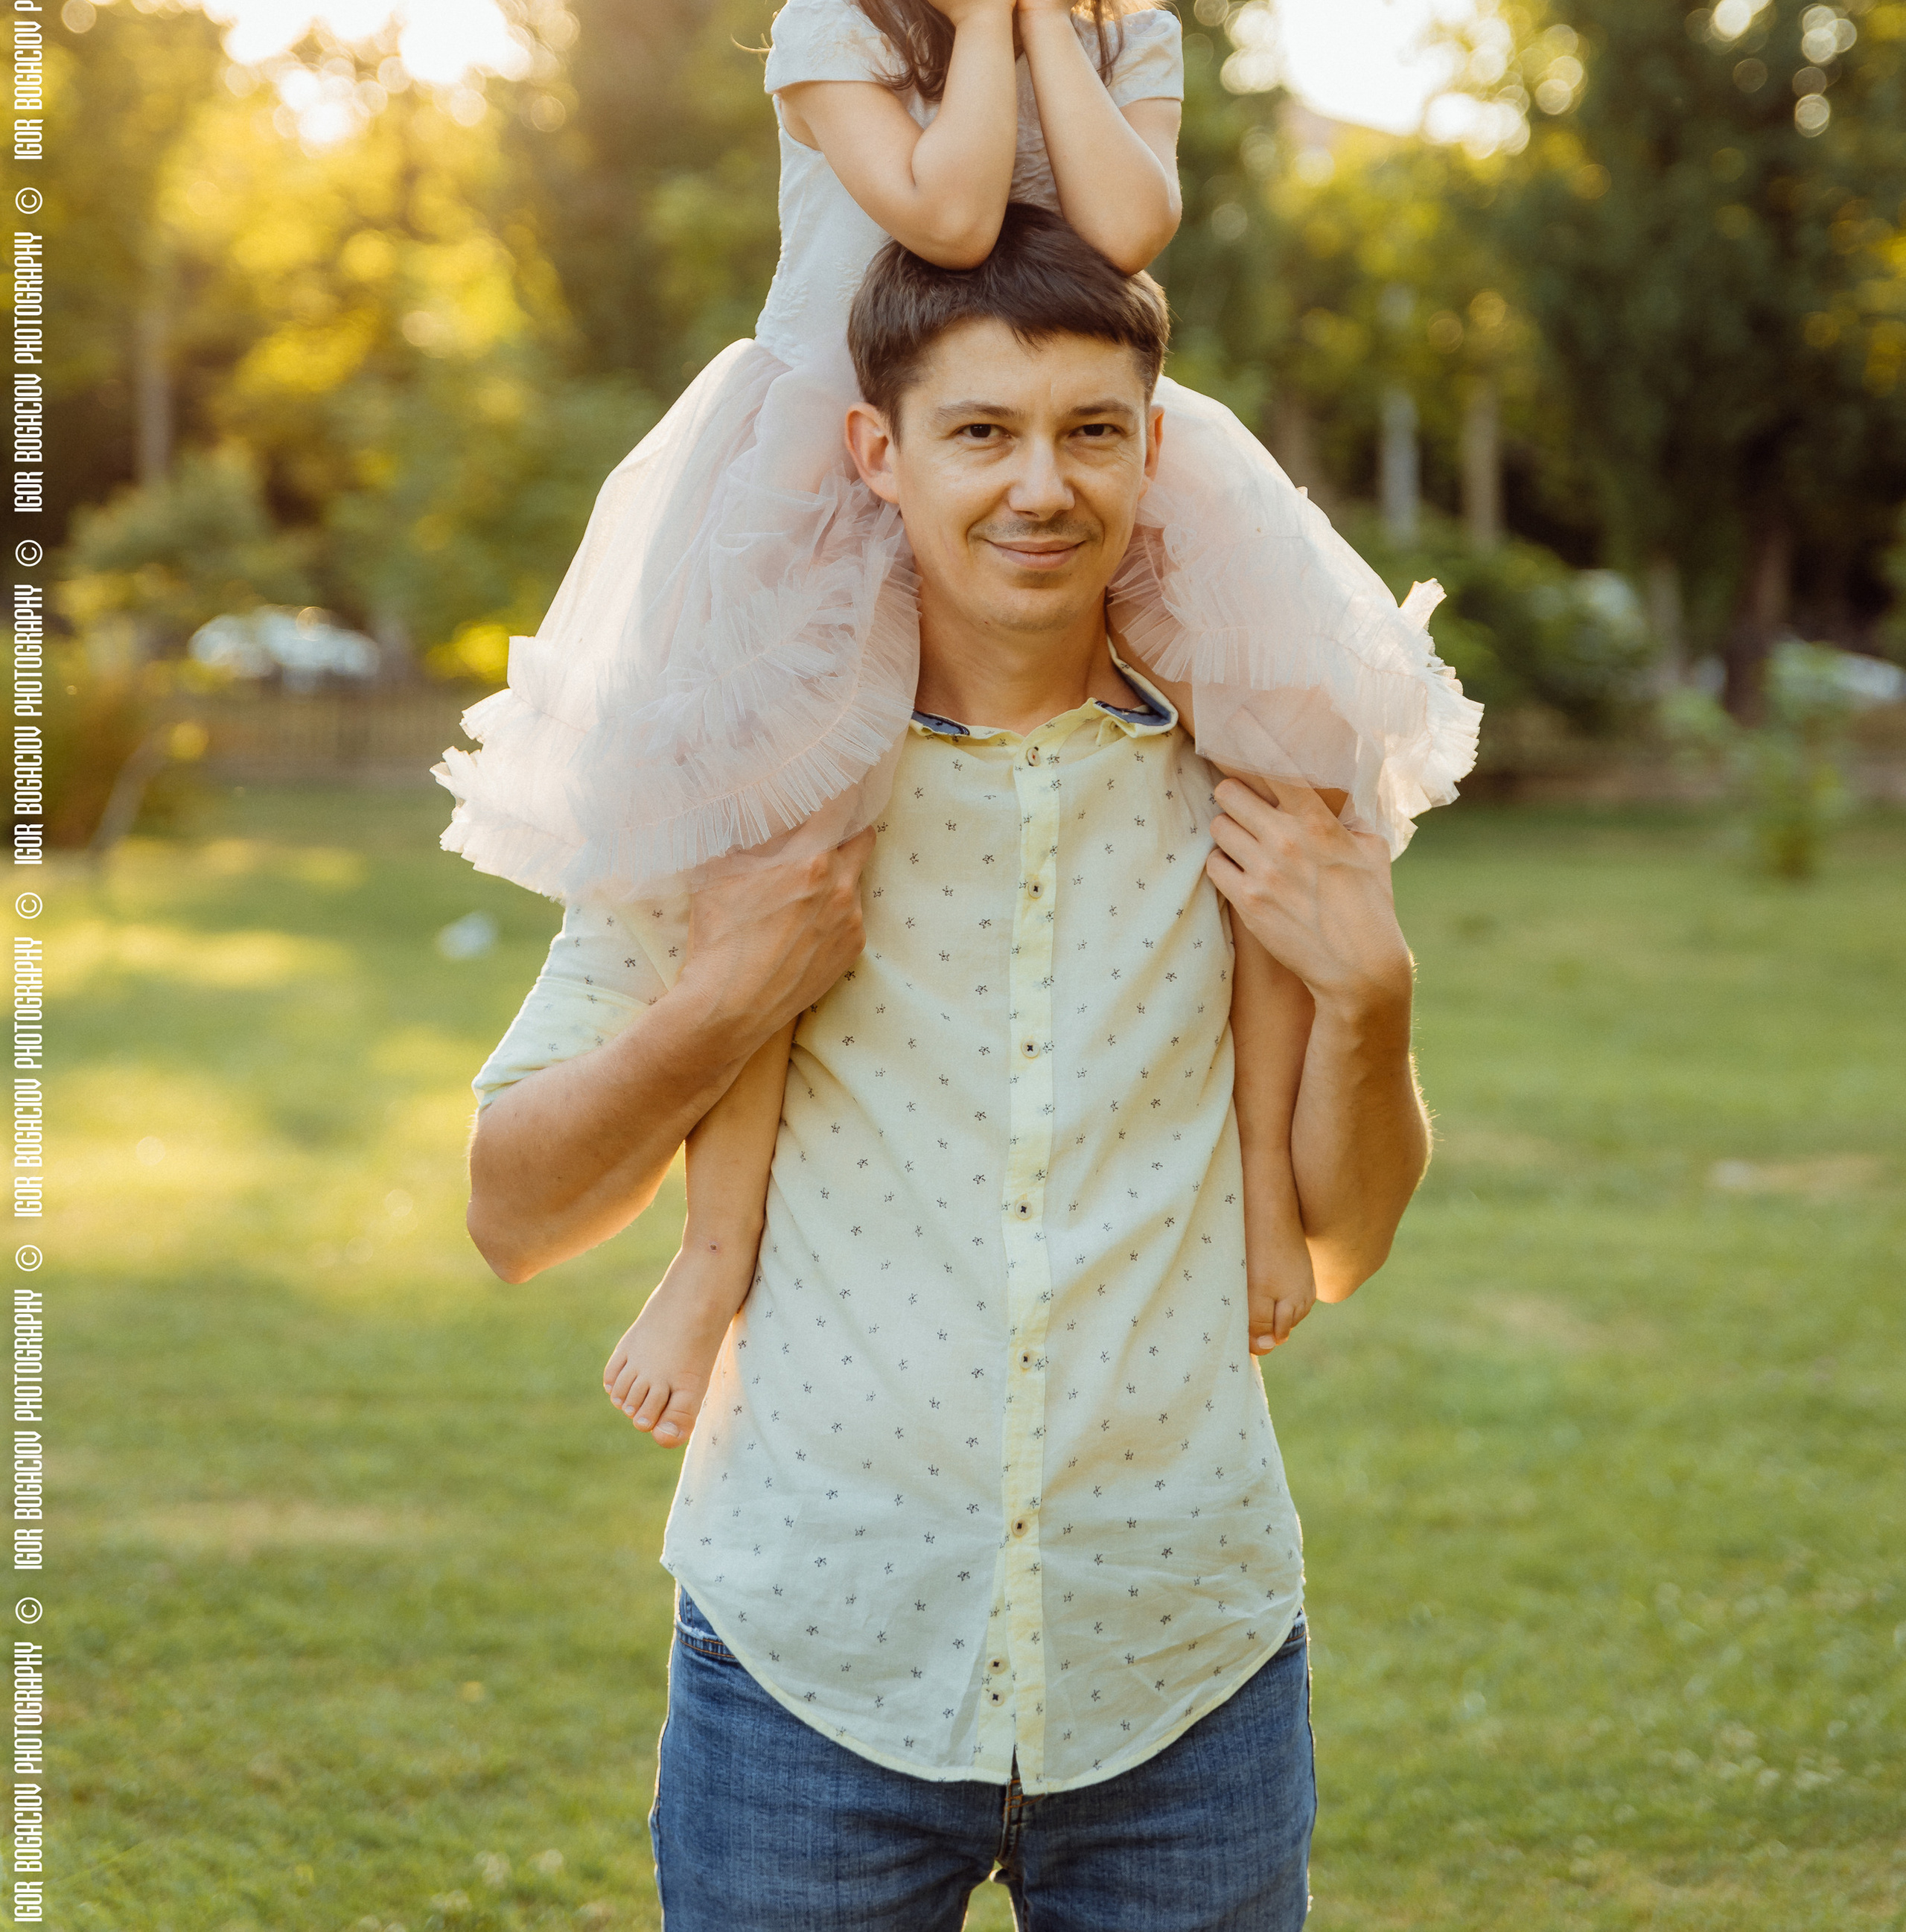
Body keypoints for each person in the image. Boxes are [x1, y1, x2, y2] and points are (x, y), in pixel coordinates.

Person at [438, 0, 1476, 1445]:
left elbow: (1125, 226)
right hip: (832, 464)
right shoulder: (832, 35)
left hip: (1045, 432)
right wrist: (981, 24)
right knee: (789, 865)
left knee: (1264, 781)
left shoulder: (1128, 38)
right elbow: (938, 207)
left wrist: (1056, 20)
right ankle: (712, 1252)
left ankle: (1257, 1182)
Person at [465, 211, 1433, 1931]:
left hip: (1183, 1660)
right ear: (877, 452)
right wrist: (728, 995)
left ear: (1152, 449)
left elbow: (1338, 1243)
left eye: (1089, 431)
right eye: (979, 431)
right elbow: (510, 1213)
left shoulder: (1256, 785)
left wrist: (1369, 998)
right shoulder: (744, 788)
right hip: (805, 1667)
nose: (1038, 486)